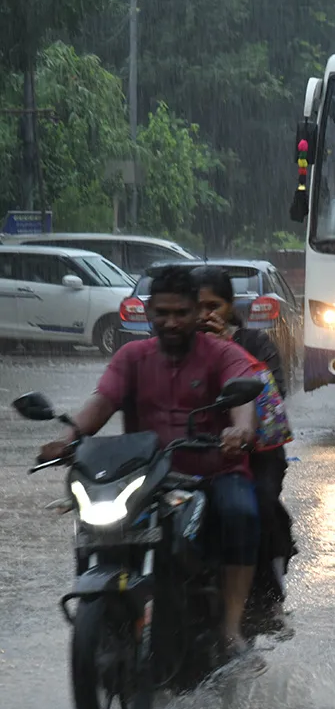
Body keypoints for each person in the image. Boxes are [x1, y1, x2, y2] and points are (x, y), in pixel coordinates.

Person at [38, 266, 262, 656]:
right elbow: (102, 402)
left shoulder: (223, 353)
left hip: (214, 471)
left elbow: (242, 399)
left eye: (180, 313)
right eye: (161, 313)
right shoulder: (132, 356)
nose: (171, 322)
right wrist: (67, 439)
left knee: (241, 513)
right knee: (94, 521)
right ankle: (105, 613)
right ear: (148, 313)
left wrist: (238, 431)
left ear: (196, 313)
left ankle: (229, 627)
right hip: (147, 476)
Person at [192, 266, 297, 624]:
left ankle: (268, 599)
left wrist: (226, 350)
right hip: (193, 451)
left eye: (213, 306)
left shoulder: (255, 344)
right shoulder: (176, 347)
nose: (205, 315)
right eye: (198, 307)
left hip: (257, 455)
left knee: (260, 506)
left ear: (229, 306)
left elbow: (274, 396)